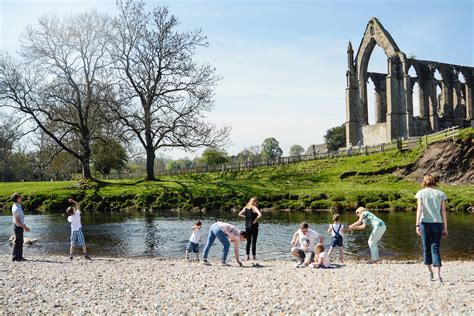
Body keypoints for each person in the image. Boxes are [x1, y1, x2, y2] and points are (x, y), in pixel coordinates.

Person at [415, 174, 448, 281]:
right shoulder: (441, 194)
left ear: (424, 182)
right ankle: (438, 275)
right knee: (435, 248)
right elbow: (443, 211)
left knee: (426, 248)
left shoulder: (421, 193)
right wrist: (445, 227)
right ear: (434, 181)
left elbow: (419, 209)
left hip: (425, 223)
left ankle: (430, 273)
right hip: (438, 224)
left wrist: (417, 225)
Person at [11, 193, 30, 262]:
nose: (21, 198)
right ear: (16, 199)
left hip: (19, 226)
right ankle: (15, 257)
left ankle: (19, 256)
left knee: (20, 241)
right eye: (19, 197)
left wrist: (23, 226)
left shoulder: (17, 205)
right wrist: (24, 227)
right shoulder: (16, 208)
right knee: (18, 242)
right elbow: (17, 221)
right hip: (18, 226)